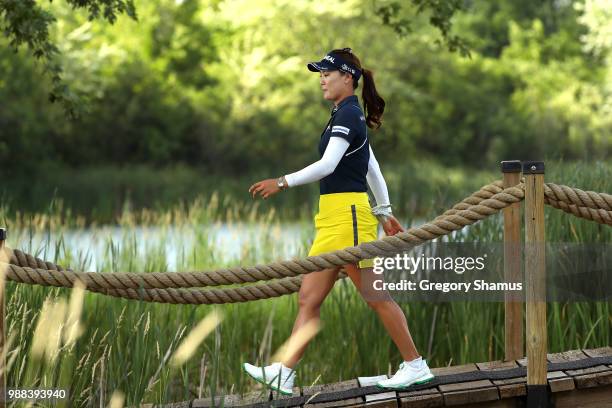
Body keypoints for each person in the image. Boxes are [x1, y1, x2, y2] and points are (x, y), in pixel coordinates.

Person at [243, 48, 434, 395]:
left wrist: (282, 181)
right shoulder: (344, 114)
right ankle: (284, 372)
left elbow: (329, 165)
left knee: (375, 296)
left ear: (348, 78)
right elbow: (371, 165)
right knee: (308, 299)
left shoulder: (348, 115)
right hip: (335, 217)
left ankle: (414, 365)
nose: (321, 79)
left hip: (348, 217)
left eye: (327, 73)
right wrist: (385, 210)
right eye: (320, 73)